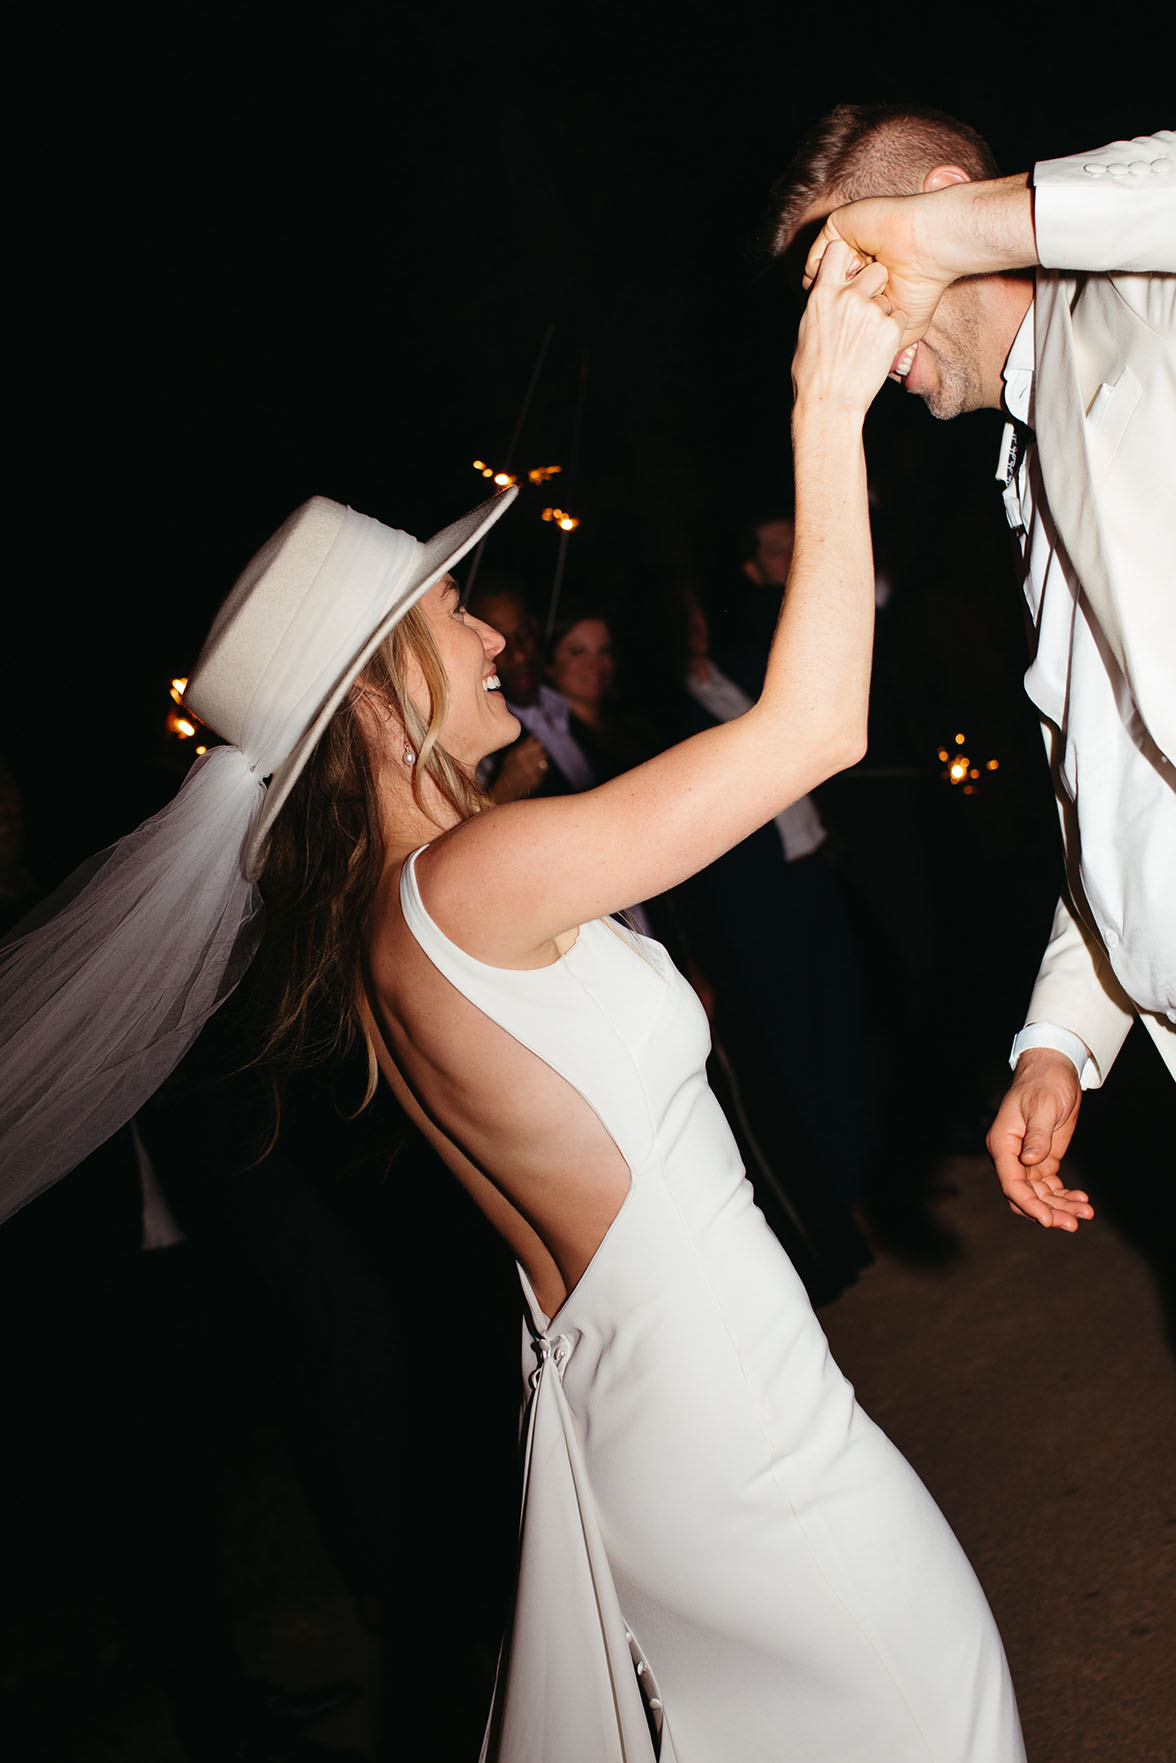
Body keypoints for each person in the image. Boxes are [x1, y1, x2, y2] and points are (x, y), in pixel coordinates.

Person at [0, 242, 1024, 1760]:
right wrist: (825, 410)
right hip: (746, 1432)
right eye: (446, 611)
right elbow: (820, 726)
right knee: (939, 1706)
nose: (493, 628)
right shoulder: (479, 881)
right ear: (371, 692)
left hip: (632, 1421)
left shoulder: (390, 921)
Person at [764, 109, 1176, 1234]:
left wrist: (960, 227)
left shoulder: (1140, 296)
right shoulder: (1021, 476)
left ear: (943, 203)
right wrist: (1063, 1036)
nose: (836, 333)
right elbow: (1120, 791)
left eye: (854, 281)